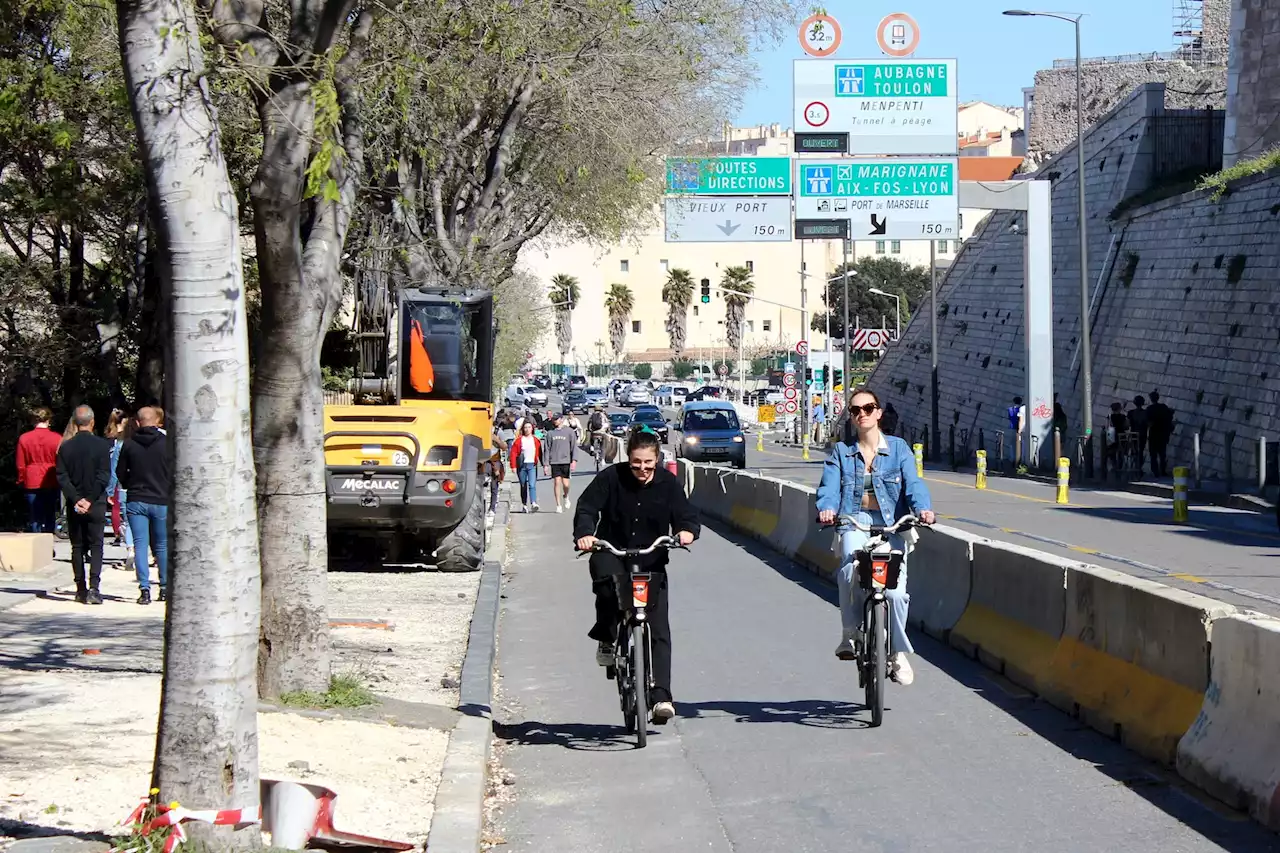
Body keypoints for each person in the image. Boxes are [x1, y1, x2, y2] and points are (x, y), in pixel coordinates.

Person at [573, 428, 699, 724]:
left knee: (658, 629)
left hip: (650, 559)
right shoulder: (610, 478)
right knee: (606, 586)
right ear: (627, 458)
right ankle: (607, 636)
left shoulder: (668, 485)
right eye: (636, 463)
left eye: (648, 464)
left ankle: (661, 698)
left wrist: (686, 531)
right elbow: (587, 508)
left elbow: (686, 515)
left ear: (657, 460)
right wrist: (585, 535)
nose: (642, 469)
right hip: (612, 551)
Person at [817, 387, 935, 686]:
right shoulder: (842, 453)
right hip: (854, 521)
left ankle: (896, 653)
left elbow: (914, 484)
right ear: (851, 417)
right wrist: (827, 509)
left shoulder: (898, 449)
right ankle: (849, 634)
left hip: (893, 524)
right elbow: (828, 488)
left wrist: (923, 509)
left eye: (868, 408)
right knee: (848, 571)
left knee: (894, 592)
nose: (862, 414)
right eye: (856, 410)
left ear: (879, 413)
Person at [55, 405, 111, 604]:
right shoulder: (102, 446)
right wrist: (90, 499)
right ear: (92, 421)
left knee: (77, 546)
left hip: (75, 503)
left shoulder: (65, 447)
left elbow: (62, 477)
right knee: (97, 545)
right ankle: (94, 588)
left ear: (75, 422)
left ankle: (80, 588)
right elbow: (104, 476)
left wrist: (76, 498)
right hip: (95, 502)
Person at [117, 405, 171, 604]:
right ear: (158, 422)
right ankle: (164, 587)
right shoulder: (166, 443)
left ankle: (144, 589)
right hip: (161, 499)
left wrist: (130, 484)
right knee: (162, 545)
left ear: (137, 423)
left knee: (140, 544)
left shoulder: (129, 445)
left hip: (137, 498)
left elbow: (120, 473)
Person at [16, 407, 62, 533]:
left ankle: (36, 544)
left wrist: (21, 480)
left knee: (35, 516)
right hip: (51, 477)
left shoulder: (24, 438)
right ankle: (48, 543)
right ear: (48, 420)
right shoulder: (57, 438)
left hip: (31, 479)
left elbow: (21, 464)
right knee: (50, 514)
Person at [105, 410, 136, 568]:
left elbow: (115, 470)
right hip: (142, 488)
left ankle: (130, 549)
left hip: (123, 488)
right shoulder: (138, 444)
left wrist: (110, 491)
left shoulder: (119, 446)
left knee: (128, 522)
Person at [507, 420, 545, 512]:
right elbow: (513, 454)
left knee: (532, 485)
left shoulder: (536, 440)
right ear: (523, 429)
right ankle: (524, 505)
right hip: (522, 465)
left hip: (532, 465)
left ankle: (533, 503)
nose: (527, 429)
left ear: (532, 429)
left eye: (529, 427)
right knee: (523, 485)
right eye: (525, 427)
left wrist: (544, 465)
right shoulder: (519, 441)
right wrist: (513, 466)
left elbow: (540, 453)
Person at [545, 414, 578, 513]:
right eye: (554, 420)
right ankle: (558, 505)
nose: (555, 421)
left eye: (557, 419)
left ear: (562, 420)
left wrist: (574, 460)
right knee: (557, 482)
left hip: (566, 461)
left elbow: (574, 447)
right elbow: (546, 449)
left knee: (566, 484)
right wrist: (546, 464)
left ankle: (566, 496)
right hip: (555, 461)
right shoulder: (550, 433)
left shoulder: (569, 432)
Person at [1147, 390, 1175, 478]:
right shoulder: (1163, 407)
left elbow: (1148, 422)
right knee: (1162, 453)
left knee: (1153, 454)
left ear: (1151, 399)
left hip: (1153, 434)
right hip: (1163, 433)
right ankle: (1162, 470)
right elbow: (1170, 415)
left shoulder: (1149, 409)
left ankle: (1155, 471)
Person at [1128, 395, 1149, 475]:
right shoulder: (1145, 413)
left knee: (1134, 451)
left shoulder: (1131, 412)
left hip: (1133, 434)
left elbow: (1128, 424)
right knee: (1140, 451)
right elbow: (1147, 423)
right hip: (1142, 434)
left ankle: (1133, 467)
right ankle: (1138, 468)